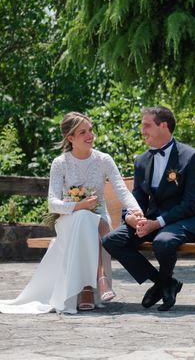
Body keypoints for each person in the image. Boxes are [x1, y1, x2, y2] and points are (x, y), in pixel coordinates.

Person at [0, 112, 141, 314]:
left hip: (99, 217)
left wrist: (138, 212)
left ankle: (87, 288)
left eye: (90, 130)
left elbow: (121, 190)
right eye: (82, 132)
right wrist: (78, 206)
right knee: (83, 217)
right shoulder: (60, 163)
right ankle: (93, 284)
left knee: (90, 219)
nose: (89, 135)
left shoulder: (104, 160)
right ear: (70, 138)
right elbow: (52, 203)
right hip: (68, 219)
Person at [102, 106, 195, 311]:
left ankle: (161, 286)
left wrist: (156, 223)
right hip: (153, 221)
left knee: (163, 242)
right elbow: (136, 198)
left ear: (164, 126)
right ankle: (165, 283)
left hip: (184, 221)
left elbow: (191, 204)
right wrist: (129, 217)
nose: (143, 131)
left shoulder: (191, 156)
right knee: (112, 240)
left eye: (147, 125)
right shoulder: (142, 160)